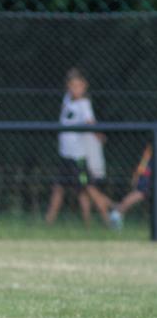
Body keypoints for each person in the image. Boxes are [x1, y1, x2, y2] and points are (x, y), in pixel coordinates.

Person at [45, 69, 113, 226]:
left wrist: (99, 136)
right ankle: (51, 222)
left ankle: (109, 218)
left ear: (84, 86)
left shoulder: (84, 104)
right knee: (60, 188)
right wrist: (72, 74)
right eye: (72, 86)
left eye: (78, 86)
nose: (74, 89)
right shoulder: (67, 99)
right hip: (65, 154)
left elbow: (90, 122)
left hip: (78, 157)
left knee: (88, 188)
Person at [109, 144, 153, 230]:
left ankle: (116, 213)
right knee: (140, 193)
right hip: (147, 175)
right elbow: (143, 163)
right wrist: (137, 176)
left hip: (147, 172)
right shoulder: (150, 150)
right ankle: (116, 214)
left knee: (140, 193)